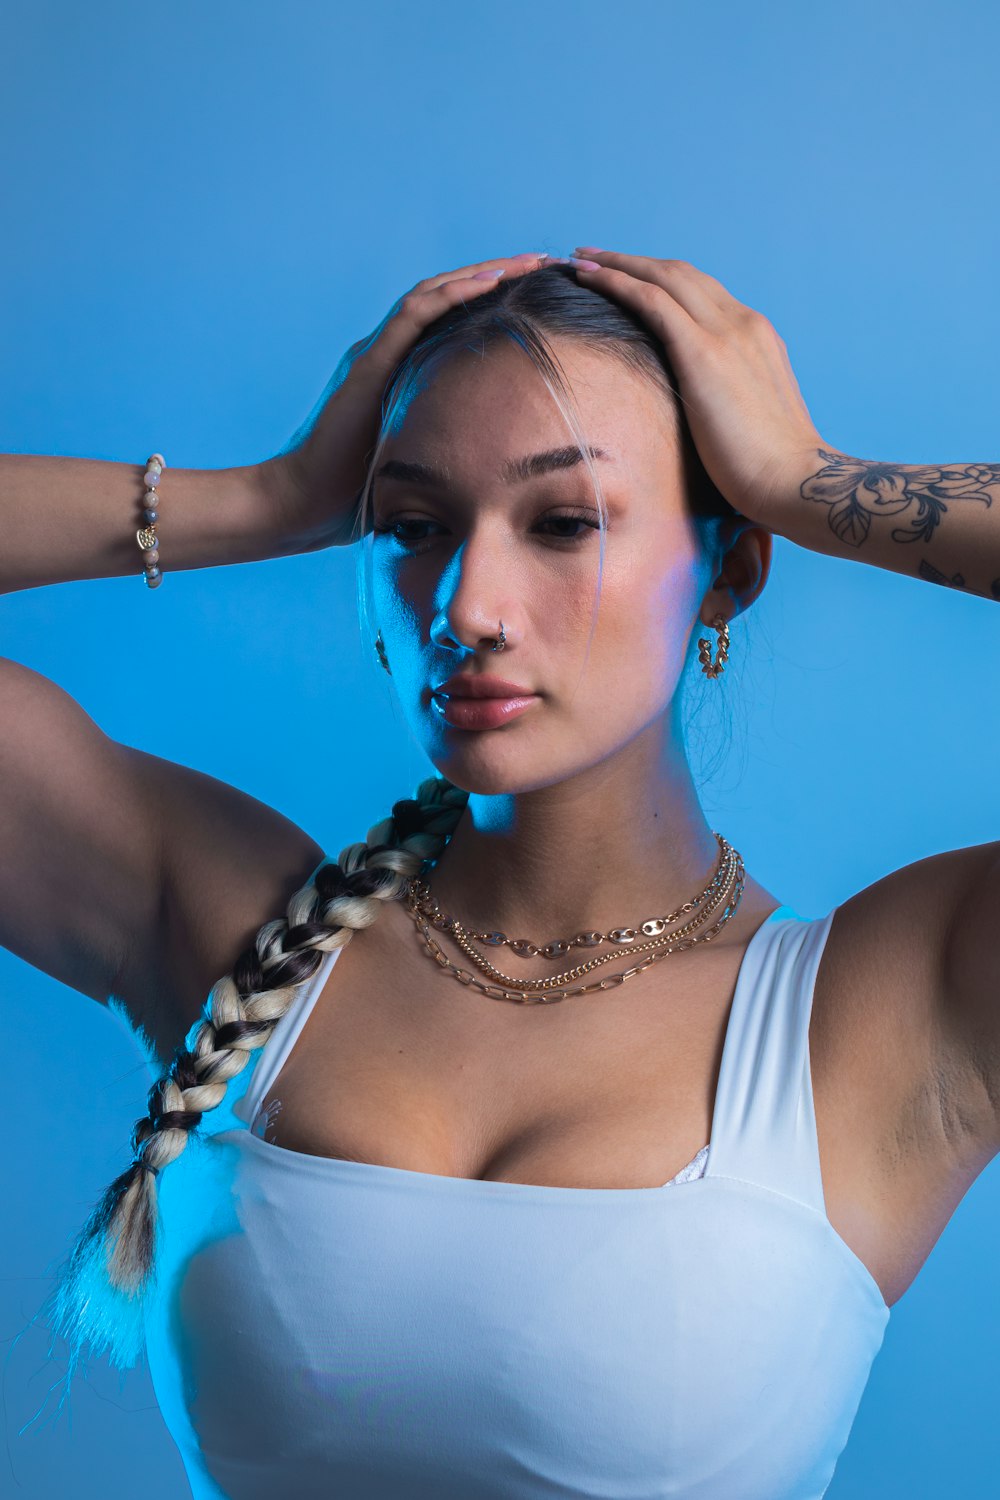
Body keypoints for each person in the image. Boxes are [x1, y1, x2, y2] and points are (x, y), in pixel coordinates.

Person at [2, 249, 998, 1499]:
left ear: (731, 571)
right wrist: (266, 498)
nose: (467, 602)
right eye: (412, 527)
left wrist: (809, 482)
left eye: (564, 521)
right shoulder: (231, 927)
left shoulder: (889, 1013)